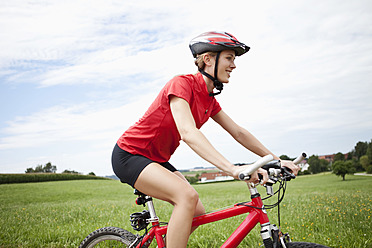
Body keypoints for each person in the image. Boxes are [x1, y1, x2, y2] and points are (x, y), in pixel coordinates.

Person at [112, 31, 300, 248]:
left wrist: (276, 160)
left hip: (156, 158)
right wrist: (231, 168)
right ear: (208, 60)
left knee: (197, 210)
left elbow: (238, 132)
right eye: (229, 58)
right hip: (130, 154)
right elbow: (188, 133)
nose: (234, 65)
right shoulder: (181, 84)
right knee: (186, 196)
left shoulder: (209, 99)